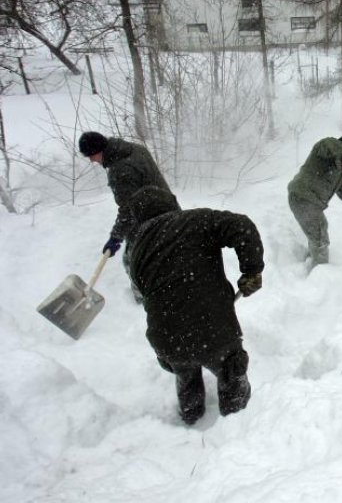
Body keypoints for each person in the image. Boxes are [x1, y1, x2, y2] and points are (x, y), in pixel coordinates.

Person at [126, 186, 265, 425]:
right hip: (212, 329)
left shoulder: (136, 251)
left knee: (185, 370)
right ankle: (237, 427)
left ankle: (191, 416)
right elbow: (241, 226)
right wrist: (251, 271)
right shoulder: (195, 220)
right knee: (231, 373)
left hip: (166, 339)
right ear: (171, 203)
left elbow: (141, 291)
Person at [78, 131, 174, 301]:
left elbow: (129, 210)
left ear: (98, 150)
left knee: (133, 260)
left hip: (149, 220)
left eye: (91, 156)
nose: (92, 160)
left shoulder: (119, 171)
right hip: (169, 207)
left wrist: (116, 237)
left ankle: (145, 297)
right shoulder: (137, 149)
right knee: (169, 253)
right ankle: (167, 282)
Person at [287, 133, 342, 267]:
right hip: (303, 196)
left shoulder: (339, 172)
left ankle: (310, 263)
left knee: (318, 232)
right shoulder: (326, 145)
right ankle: (320, 274)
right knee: (320, 237)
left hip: (307, 200)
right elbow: (336, 147)